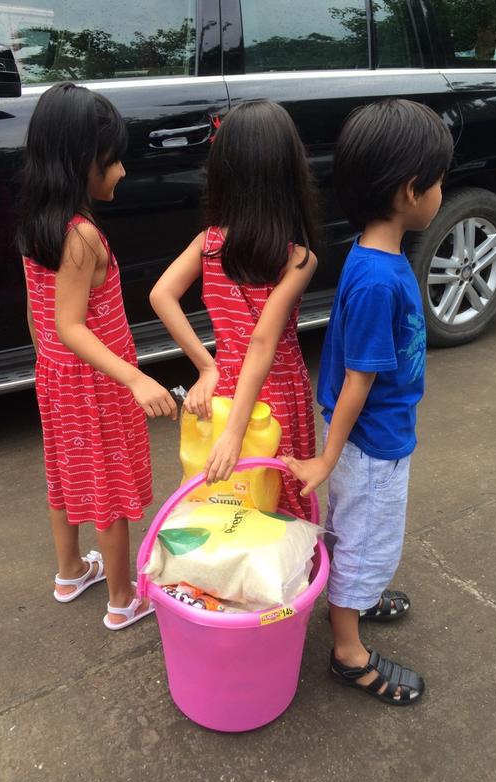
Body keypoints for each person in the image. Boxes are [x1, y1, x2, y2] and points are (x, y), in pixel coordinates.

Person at [283, 99, 454, 705]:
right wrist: (328, 460)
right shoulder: (380, 278)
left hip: (370, 437)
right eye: (437, 182)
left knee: (357, 526)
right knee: (367, 534)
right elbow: (359, 379)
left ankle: (361, 594)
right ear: (411, 191)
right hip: (374, 443)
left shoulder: (370, 252)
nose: (441, 192)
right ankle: (349, 652)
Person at [18, 82, 177, 630]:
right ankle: (122, 598)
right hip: (95, 383)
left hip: (56, 378)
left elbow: (40, 317)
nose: (122, 173)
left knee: (65, 476)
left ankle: (69, 572)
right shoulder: (82, 235)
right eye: (113, 163)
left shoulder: (36, 223)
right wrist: (135, 379)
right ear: (83, 163)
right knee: (108, 486)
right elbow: (71, 324)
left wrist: (48, 367)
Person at [150, 100, 318, 519]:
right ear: (287, 173)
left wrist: (207, 367)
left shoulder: (208, 243)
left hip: (226, 389)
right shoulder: (297, 258)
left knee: (231, 500)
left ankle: (230, 579)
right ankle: (282, 577)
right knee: (280, 493)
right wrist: (237, 430)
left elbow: (160, 296)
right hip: (279, 395)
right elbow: (263, 342)